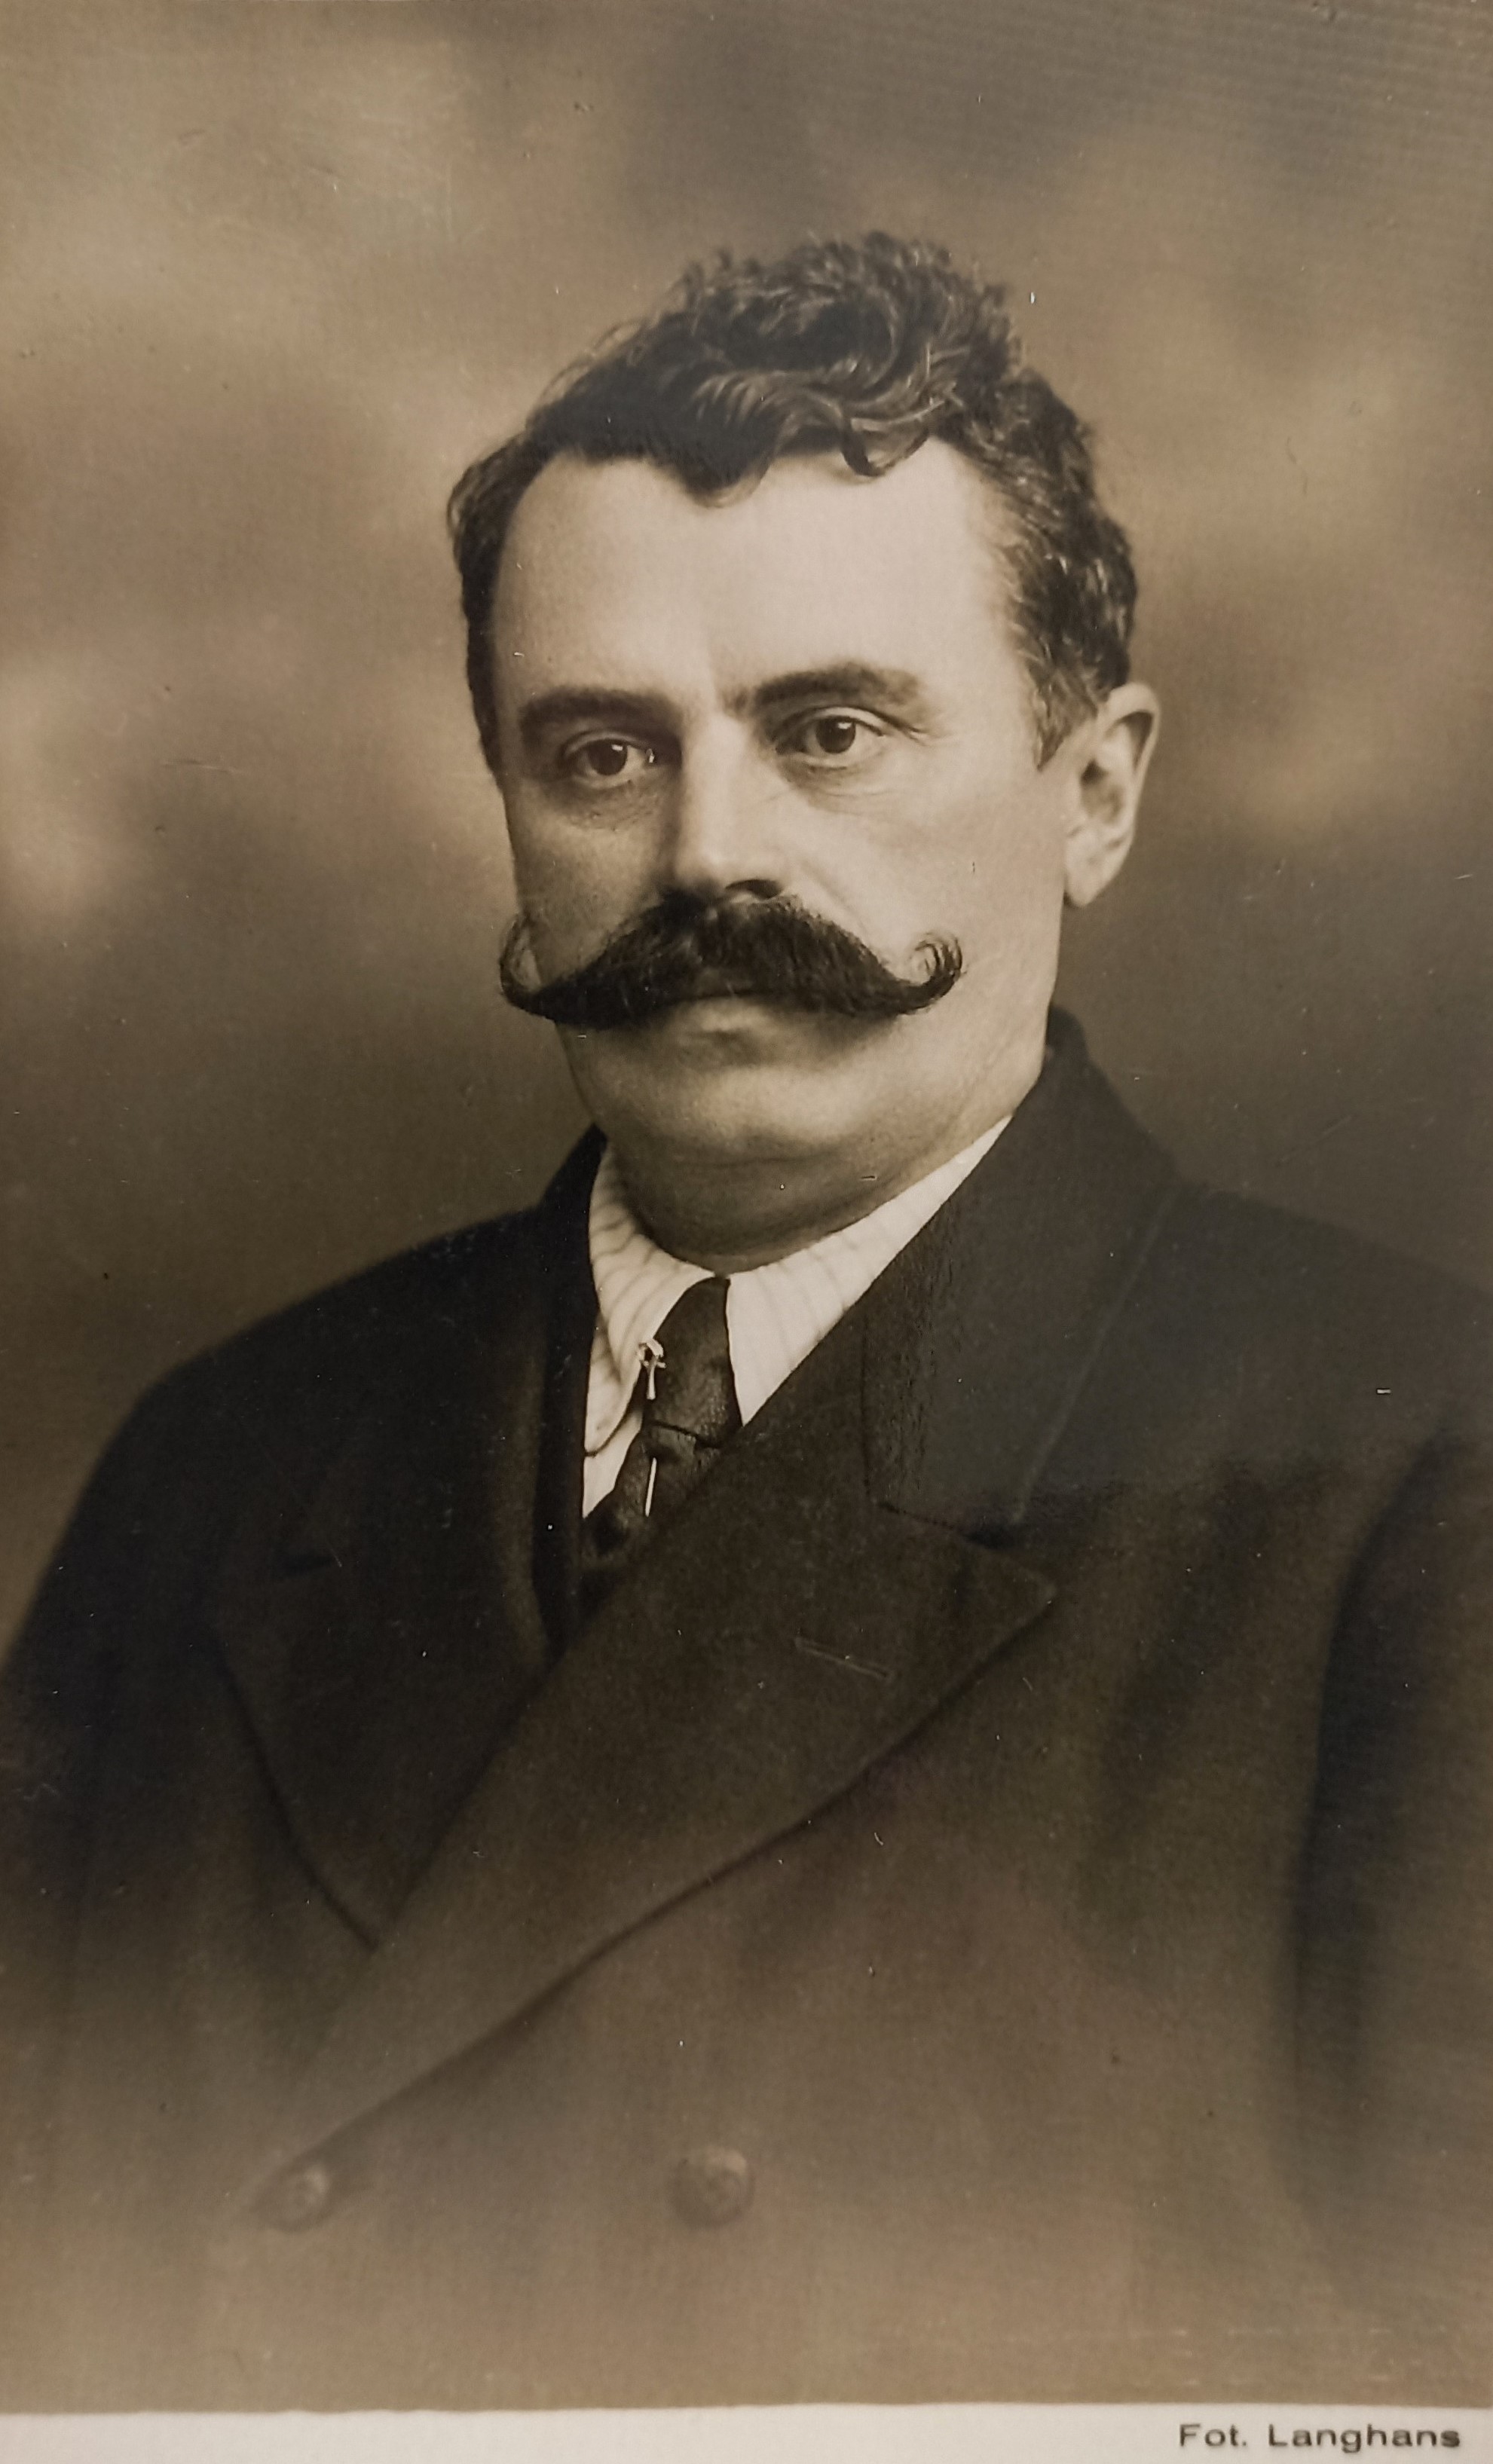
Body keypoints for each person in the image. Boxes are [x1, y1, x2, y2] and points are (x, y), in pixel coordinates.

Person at [1, 234, 1487, 2412]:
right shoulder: (217, 1467)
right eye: (601, 752)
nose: (707, 858)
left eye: (832, 733)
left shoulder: (1418, 1480)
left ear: (1096, 793)